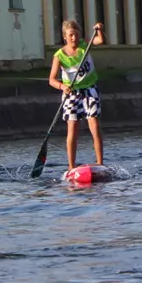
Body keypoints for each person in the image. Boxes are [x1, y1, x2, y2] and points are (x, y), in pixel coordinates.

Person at [49, 20, 105, 171]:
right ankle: (71, 167)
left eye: (76, 34)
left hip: (89, 90)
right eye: (71, 35)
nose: (74, 38)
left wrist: (99, 29)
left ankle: (100, 163)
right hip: (72, 94)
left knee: (94, 125)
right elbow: (52, 80)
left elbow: (99, 41)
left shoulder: (83, 45)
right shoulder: (59, 56)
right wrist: (62, 86)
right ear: (65, 37)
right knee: (72, 129)